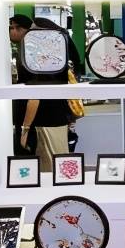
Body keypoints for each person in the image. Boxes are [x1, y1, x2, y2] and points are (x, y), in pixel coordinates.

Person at [9, 14, 81, 172]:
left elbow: (35, 96)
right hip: (57, 119)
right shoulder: (57, 60)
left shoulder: (35, 58)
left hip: (40, 122)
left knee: (44, 170)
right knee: (57, 167)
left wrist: (25, 129)